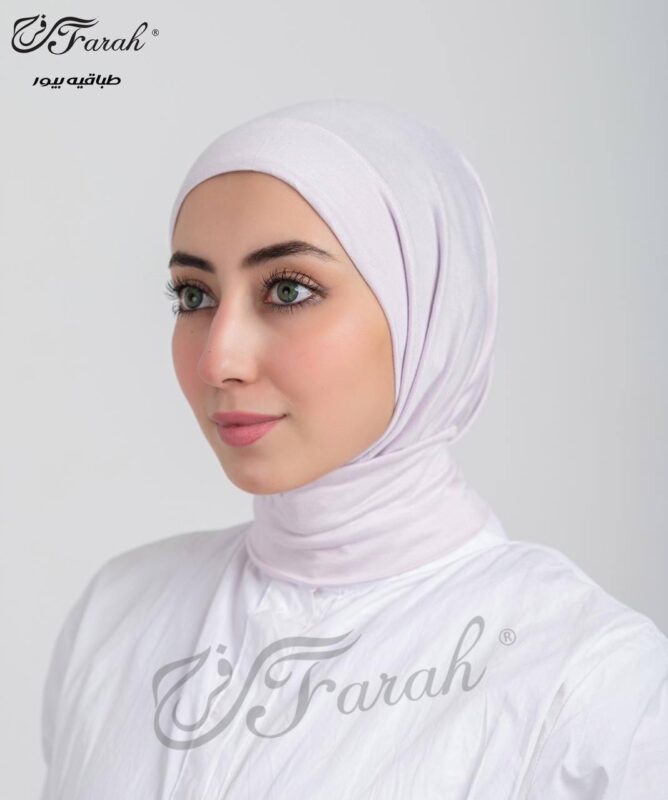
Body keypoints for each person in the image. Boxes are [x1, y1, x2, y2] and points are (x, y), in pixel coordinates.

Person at [39, 98, 668, 799]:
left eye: (288, 289)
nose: (219, 359)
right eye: (194, 296)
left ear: (427, 308)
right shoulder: (119, 616)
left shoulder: (589, 683)